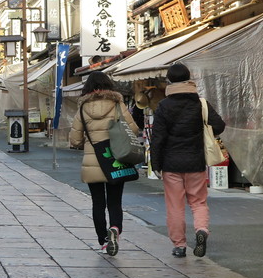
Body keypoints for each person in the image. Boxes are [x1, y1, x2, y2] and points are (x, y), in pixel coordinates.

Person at [151, 63, 225, 258]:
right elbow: (219, 125)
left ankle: (180, 245)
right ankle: (201, 230)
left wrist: (156, 164)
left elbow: (157, 137)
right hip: (195, 162)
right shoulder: (200, 103)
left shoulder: (164, 106)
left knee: (175, 205)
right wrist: (203, 131)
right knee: (198, 202)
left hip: (171, 164)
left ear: (169, 81)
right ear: (189, 79)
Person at [68, 71, 140, 256]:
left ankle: (103, 241)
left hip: (92, 161)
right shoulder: (117, 104)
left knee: (97, 203)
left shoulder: (83, 108)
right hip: (116, 158)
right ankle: (115, 228)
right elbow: (133, 128)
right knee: (115, 202)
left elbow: (75, 140)